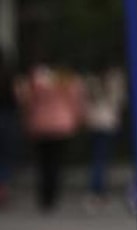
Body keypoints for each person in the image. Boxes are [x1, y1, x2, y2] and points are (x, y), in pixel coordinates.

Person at [16, 58, 82, 212]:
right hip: (61, 124)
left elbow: (26, 101)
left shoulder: (35, 79)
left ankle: (44, 196)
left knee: (42, 162)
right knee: (56, 162)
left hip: (40, 125)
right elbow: (75, 101)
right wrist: (77, 118)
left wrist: (27, 119)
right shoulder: (66, 79)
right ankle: (53, 195)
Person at [82, 64, 127, 210]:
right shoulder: (114, 79)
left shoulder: (91, 81)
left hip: (94, 121)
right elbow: (120, 100)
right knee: (102, 158)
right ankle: (99, 190)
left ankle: (97, 190)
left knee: (97, 157)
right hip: (107, 122)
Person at [0, 49, 18, 208]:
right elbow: (14, 100)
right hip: (6, 118)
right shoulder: (7, 76)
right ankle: (3, 189)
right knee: (5, 155)